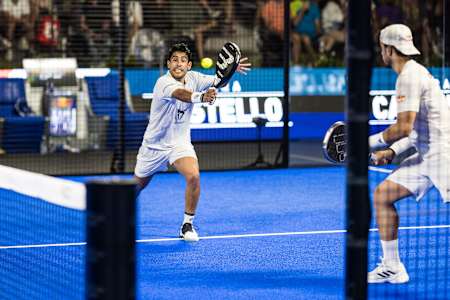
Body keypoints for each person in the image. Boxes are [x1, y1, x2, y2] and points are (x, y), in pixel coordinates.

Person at [134, 43, 251, 242]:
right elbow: (182, 94)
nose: (178, 64)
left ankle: (187, 224)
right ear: (168, 64)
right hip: (154, 145)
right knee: (137, 187)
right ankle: (111, 214)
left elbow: (218, 81)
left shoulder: (195, 77)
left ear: (188, 65)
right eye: (174, 60)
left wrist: (229, 72)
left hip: (179, 143)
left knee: (194, 176)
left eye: (182, 60)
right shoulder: (163, 83)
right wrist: (202, 96)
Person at [367, 24, 450, 284]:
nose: (382, 51)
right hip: (426, 154)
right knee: (383, 195)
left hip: (445, 156)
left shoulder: (409, 77)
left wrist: (366, 143)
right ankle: (392, 267)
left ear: (388, 49)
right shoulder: (413, 73)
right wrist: (390, 151)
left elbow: (403, 127)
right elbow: (415, 131)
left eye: (382, 47)